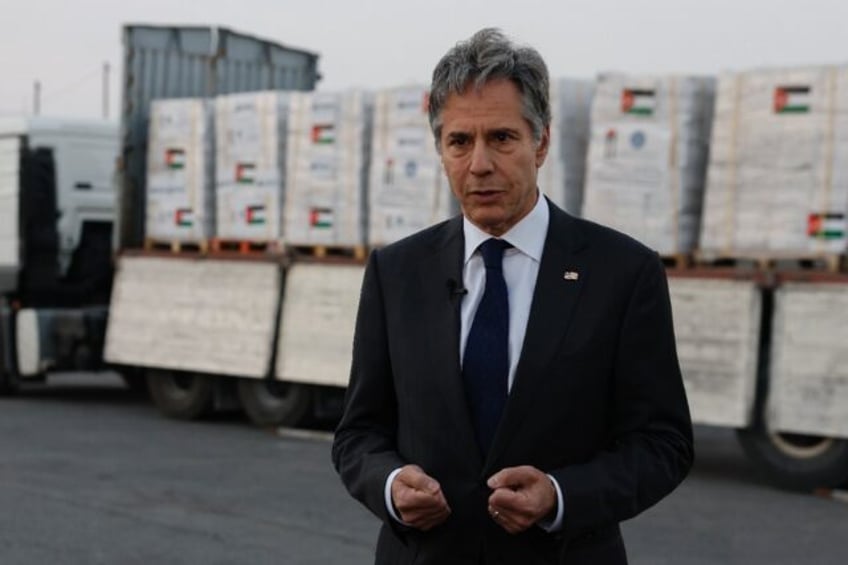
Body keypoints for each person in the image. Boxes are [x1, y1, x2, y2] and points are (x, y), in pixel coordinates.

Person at [332, 28, 693, 565]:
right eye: (459, 142)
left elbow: (663, 443)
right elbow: (359, 432)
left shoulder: (623, 272)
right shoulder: (396, 272)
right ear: (440, 149)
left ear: (541, 142)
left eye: (501, 138)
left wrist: (560, 495)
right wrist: (389, 485)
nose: (479, 164)